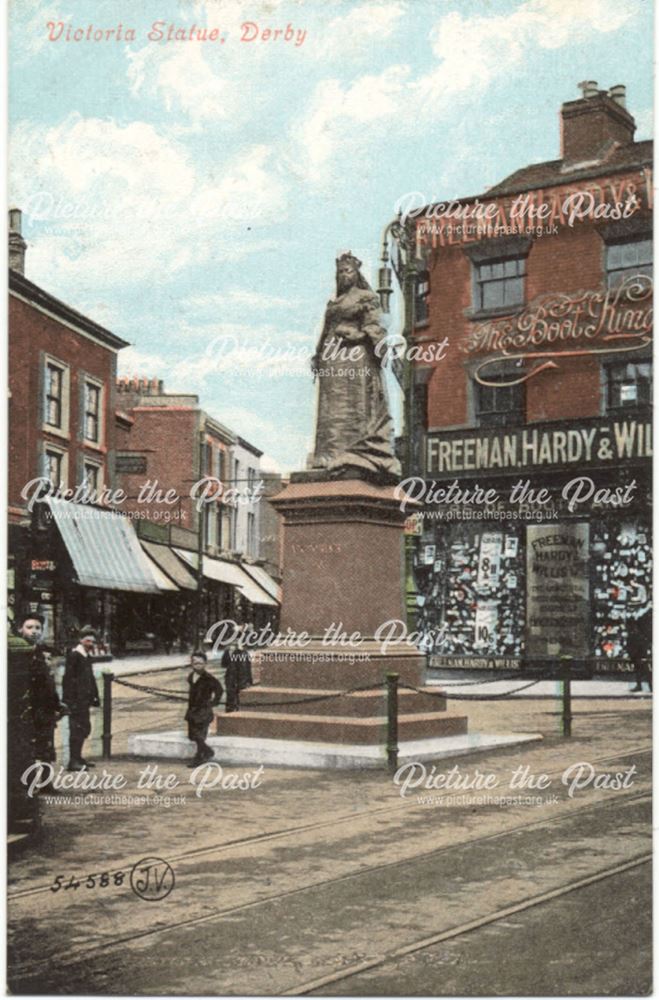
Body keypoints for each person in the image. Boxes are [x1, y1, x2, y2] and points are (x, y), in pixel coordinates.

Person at [309, 252, 400, 478]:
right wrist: (318, 354)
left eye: (347, 271)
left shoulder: (366, 296)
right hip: (332, 359)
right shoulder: (334, 302)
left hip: (356, 356)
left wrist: (358, 336)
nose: (343, 275)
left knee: (354, 404)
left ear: (356, 272)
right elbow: (325, 330)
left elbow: (375, 327)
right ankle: (329, 453)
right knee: (331, 409)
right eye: (340, 272)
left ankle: (357, 451)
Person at [63, 627, 100, 771]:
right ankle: (73, 761)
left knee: (84, 728)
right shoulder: (74, 655)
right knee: (77, 729)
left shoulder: (85, 656)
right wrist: (69, 701)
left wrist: (95, 696)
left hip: (84, 700)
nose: (90, 643)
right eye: (87, 640)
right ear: (80, 640)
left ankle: (78, 757)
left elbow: (90, 678)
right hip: (76, 701)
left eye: (92, 641)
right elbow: (68, 679)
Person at [185, 651, 223, 767]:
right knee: (193, 735)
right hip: (192, 710)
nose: (198, 666)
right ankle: (207, 751)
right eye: (195, 663)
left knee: (199, 735)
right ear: (191, 664)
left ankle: (200, 756)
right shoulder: (191, 676)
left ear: (205, 664)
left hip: (204, 711)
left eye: (200, 663)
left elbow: (219, 689)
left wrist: (214, 702)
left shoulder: (209, 678)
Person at [627, 602, 652, 692]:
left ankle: (650, 684)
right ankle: (640, 684)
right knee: (637, 665)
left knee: (643, 665)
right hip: (634, 643)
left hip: (640, 643)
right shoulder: (634, 615)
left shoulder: (642, 614)